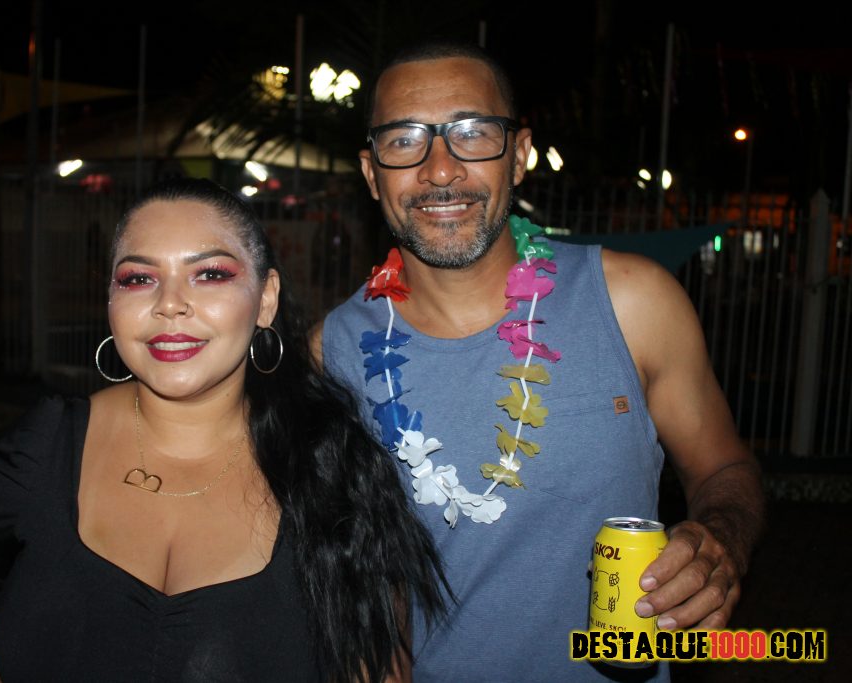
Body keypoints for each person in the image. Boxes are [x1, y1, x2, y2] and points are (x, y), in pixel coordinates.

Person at [0, 178, 448, 683]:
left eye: (209, 274)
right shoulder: (44, 446)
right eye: (138, 279)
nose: (169, 304)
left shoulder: (335, 470)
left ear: (265, 299)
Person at [315, 42, 765, 681]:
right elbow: (348, 583)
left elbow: (724, 467)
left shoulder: (634, 302)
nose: (440, 170)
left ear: (519, 155)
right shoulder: (330, 353)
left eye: (473, 133)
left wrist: (722, 539)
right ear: (371, 172)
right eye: (404, 139)